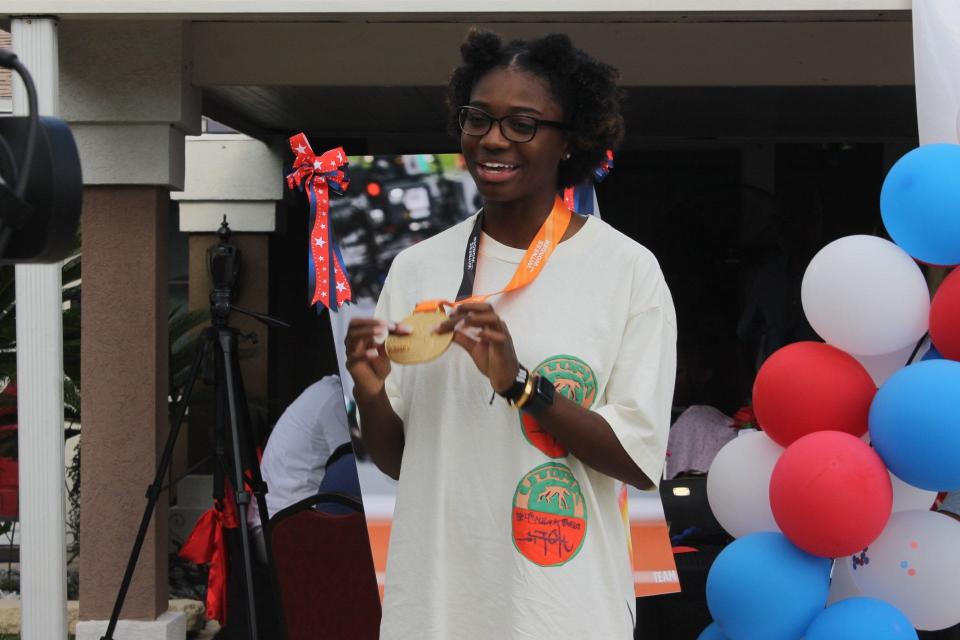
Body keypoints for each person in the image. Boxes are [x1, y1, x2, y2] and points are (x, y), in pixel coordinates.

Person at [345, 30, 677, 639]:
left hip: (560, 610)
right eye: (479, 118)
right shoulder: (417, 267)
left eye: (522, 123)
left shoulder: (627, 271)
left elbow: (636, 459)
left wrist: (521, 385)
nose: (494, 139)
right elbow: (397, 460)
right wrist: (369, 390)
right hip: (433, 609)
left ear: (570, 139)